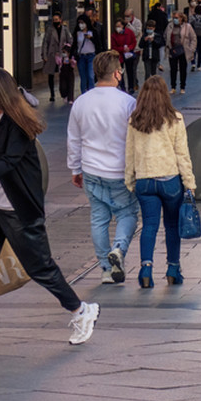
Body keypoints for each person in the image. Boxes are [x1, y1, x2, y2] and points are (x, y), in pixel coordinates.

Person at [0, 67, 98, 352]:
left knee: (41, 268)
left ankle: (81, 310)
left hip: (18, 210)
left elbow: (5, 165)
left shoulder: (18, 125)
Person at [66, 51, 139, 284]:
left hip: (91, 170)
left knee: (99, 218)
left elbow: (74, 139)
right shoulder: (128, 103)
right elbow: (135, 138)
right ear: (117, 73)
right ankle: (118, 249)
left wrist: (75, 168)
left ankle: (106, 269)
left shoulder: (81, 102)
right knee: (127, 213)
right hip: (120, 171)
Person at [123, 76, 197, 289]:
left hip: (145, 181)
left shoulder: (134, 120)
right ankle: (173, 269)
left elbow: (129, 153)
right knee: (172, 226)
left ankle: (146, 269)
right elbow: (182, 154)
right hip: (170, 180)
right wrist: (189, 182)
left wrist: (130, 180)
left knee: (149, 226)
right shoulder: (175, 119)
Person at [41, 12, 73, 103]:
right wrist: (44, 55)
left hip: (62, 55)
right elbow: (45, 43)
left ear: (60, 20)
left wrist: (68, 51)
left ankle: (63, 92)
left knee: (63, 73)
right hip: (52, 55)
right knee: (51, 74)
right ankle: (52, 94)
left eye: (57, 19)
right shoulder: (50, 30)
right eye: (53, 20)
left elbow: (70, 40)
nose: (55, 21)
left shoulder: (65, 30)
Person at [165, 11, 196, 95]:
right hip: (173, 50)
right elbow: (166, 35)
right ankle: (173, 87)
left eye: (176, 17)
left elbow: (193, 38)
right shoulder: (170, 26)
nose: (175, 19)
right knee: (173, 69)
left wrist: (191, 49)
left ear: (181, 18)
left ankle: (182, 87)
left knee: (183, 69)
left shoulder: (187, 27)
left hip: (183, 50)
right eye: (173, 17)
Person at [111, 16, 139, 94]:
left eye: (119, 26)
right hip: (119, 56)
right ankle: (122, 87)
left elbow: (134, 42)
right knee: (120, 72)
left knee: (130, 71)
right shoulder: (114, 36)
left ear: (123, 26)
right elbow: (114, 47)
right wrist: (122, 49)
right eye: (116, 26)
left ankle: (131, 87)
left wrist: (129, 48)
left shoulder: (129, 32)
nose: (118, 28)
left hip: (128, 55)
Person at [74, 13, 98, 93]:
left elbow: (98, 43)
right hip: (81, 57)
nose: (81, 25)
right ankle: (84, 93)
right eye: (79, 23)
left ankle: (91, 93)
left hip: (91, 56)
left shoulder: (93, 32)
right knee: (83, 77)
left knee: (91, 76)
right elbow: (74, 45)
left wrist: (91, 38)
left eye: (82, 23)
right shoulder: (77, 33)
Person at [138, 18, 162, 84]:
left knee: (154, 72)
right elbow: (140, 45)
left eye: (151, 29)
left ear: (154, 28)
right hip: (146, 56)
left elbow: (159, 45)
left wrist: (153, 41)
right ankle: (147, 86)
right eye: (148, 28)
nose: (149, 30)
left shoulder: (157, 36)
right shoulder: (144, 36)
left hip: (154, 56)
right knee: (147, 72)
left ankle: (154, 86)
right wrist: (144, 40)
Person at [188, 5, 201, 71]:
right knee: (200, 52)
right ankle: (199, 66)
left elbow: (188, 27)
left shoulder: (192, 18)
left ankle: (193, 63)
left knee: (193, 50)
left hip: (193, 36)